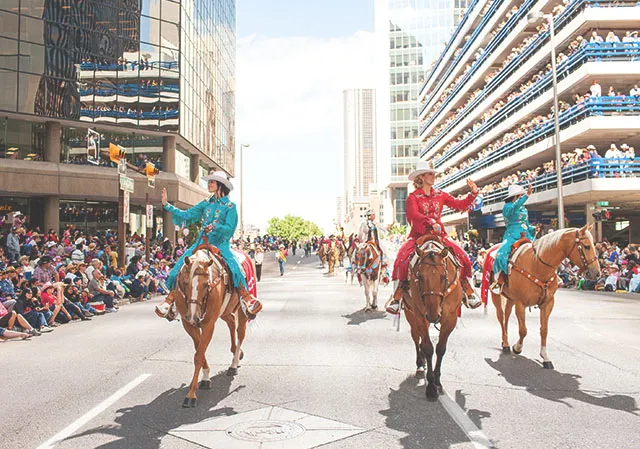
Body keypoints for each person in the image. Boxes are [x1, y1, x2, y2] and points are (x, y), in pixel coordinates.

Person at [155, 171, 262, 319]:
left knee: (236, 269)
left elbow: (229, 228)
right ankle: (170, 301)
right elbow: (187, 215)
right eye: (210, 181)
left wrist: (215, 227)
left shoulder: (230, 207)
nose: (209, 184)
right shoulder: (206, 203)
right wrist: (167, 205)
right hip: (201, 242)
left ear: (220, 185)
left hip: (220, 244)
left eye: (212, 182)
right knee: (179, 267)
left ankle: (246, 299)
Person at [386, 160, 482, 314]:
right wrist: (429, 222)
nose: (433, 176)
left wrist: (473, 194)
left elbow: (459, 205)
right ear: (421, 177)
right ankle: (397, 295)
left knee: (464, 257)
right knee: (401, 259)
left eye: (433, 174)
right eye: (430, 174)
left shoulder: (441, 194)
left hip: (440, 236)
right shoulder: (412, 197)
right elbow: (413, 216)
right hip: (419, 236)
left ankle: (468, 290)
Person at [491, 183, 536, 294]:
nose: (522, 197)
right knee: (501, 254)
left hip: (526, 234)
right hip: (512, 234)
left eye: (522, 195)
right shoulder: (507, 207)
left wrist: (533, 229)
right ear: (516, 197)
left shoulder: (524, 209)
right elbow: (515, 207)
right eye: (520, 195)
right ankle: (499, 280)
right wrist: (527, 195)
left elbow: (526, 223)